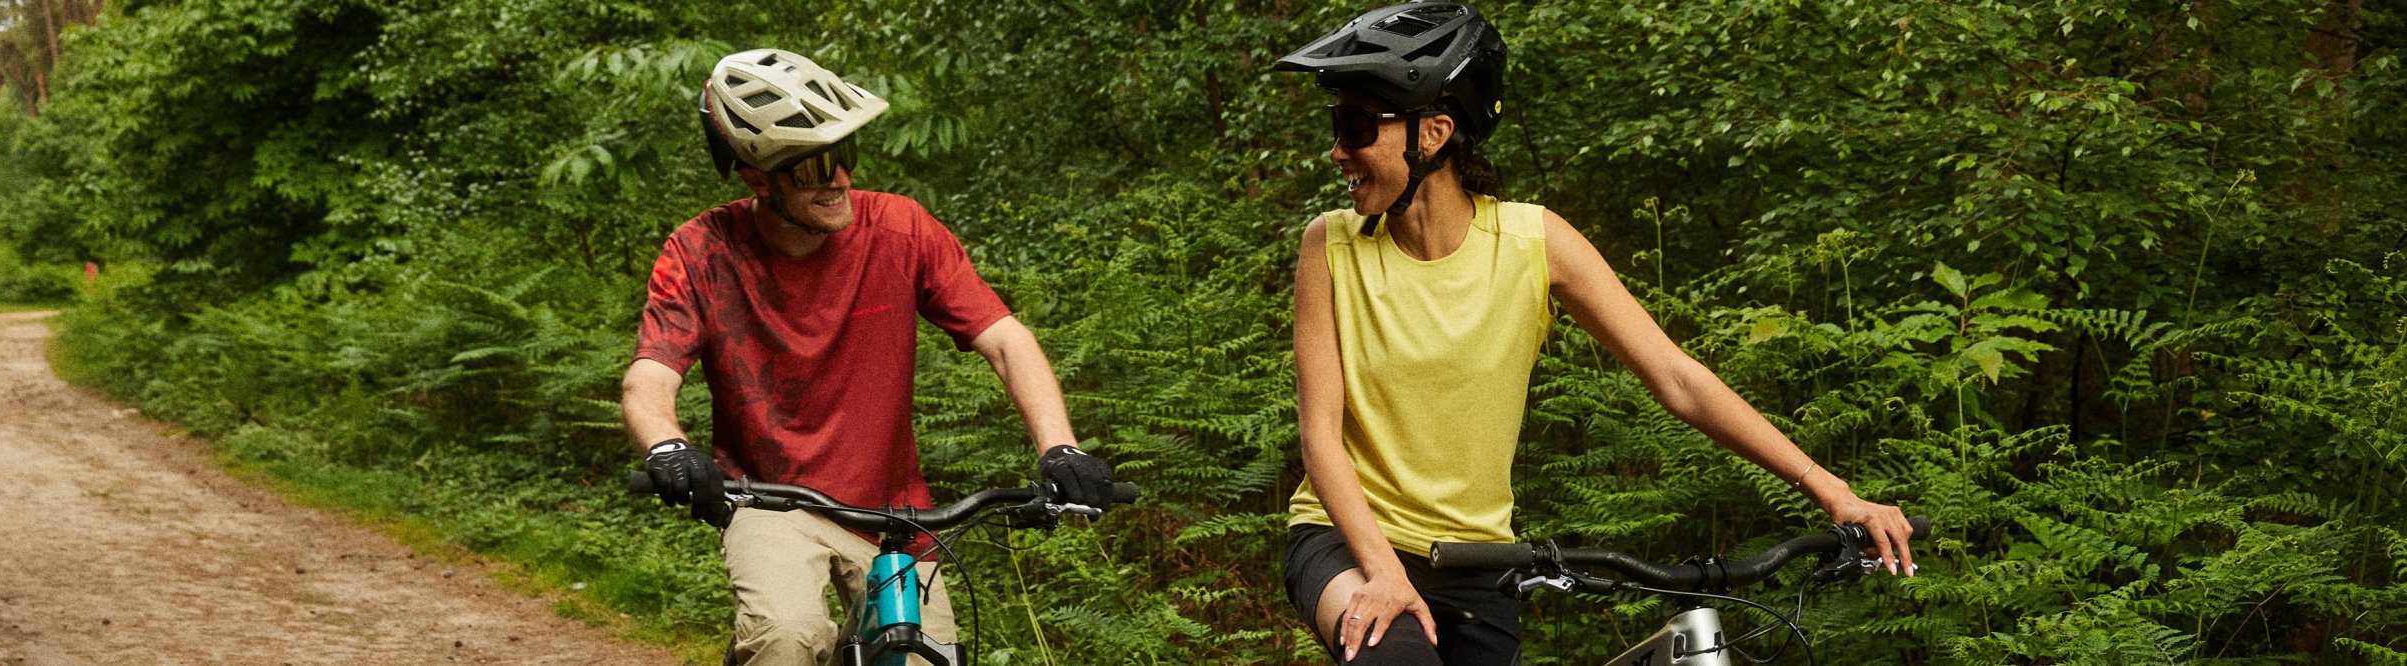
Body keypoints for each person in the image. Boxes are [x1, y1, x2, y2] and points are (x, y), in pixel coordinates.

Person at [1272, 4, 1919, 663]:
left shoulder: (1531, 241)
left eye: (1353, 129)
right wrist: (1382, 570)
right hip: (1345, 542)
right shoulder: (1329, 247)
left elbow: (1677, 378)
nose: (1338, 152)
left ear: (1433, 132)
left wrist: (1834, 492)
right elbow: (1320, 434)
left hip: (1478, 558)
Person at [619, 48, 1116, 665]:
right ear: (756, 177)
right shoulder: (702, 251)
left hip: (897, 514)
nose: (839, 179)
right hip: (769, 500)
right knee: (788, 635)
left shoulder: (901, 230)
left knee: (923, 655)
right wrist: (666, 444)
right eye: (812, 167)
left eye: (844, 156)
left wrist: (1059, 447)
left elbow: (1006, 341)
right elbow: (649, 379)